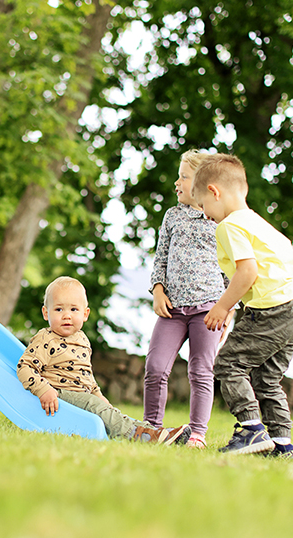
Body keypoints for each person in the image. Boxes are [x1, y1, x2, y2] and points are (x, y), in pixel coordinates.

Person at [192, 153, 293, 457]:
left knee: (228, 364)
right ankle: (283, 444)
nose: (205, 214)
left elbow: (247, 272)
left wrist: (222, 307)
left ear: (214, 192)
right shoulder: (258, 223)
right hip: (289, 308)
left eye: (202, 205)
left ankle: (250, 429)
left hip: (271, 309)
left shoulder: (230, 226)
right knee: (267, 378)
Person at [17, 276, 191, 445]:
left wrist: (98, 394)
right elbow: (24, 366)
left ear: (85, 314)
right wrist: (43, 390)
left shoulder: (82, 340)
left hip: (82, 394)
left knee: (109, 409)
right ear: (46, 313)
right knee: (93, 404)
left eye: (74, 310)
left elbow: (86, 375)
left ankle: (152, 432)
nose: (67, 316)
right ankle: (139, 435)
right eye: (59, 309)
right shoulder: (45, 339)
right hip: (58, 394)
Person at [144, 150, 232, 449]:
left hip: (209, 308)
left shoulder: (222, 222)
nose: (176, 182)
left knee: (200, 370)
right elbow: (161, 259)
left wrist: (228, 309)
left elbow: (233, 270)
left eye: (183, 176)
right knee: (155, 366)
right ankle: (151, 428)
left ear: (204, 184)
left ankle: (197, 435)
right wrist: (157, 289)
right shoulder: (172, 216)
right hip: (172, 309)